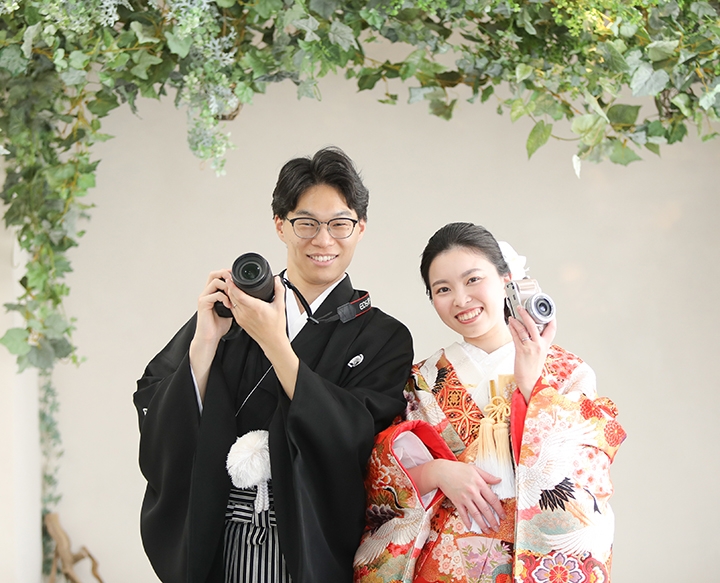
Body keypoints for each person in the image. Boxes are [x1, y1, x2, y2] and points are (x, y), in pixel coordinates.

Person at [133, 147, 414, 583]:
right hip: (223, 534)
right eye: (307, 223)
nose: (324, 240)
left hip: (309, 539)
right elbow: (155, 401)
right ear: (280, 225)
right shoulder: (235, 309)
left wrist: (273, 341)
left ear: (360, 228)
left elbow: (357, 437)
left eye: (340, 224)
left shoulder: (384, 336)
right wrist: (205, 343)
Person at [354, 222, 625, 583]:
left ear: (505, 278)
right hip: (445, 565)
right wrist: (438, 472)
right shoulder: (421, 380)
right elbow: (381, 479)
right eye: (443, 289)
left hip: (533, 561)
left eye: (473, 280)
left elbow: (588, 472)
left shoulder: (565, 370)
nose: (461, 299)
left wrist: (532, 386)